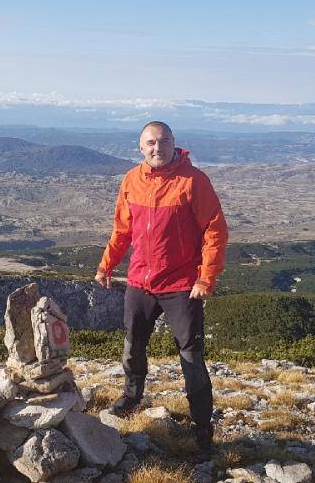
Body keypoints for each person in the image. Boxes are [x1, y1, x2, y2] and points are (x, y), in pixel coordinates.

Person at [95, 121, 228, 460]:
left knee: (191, 355)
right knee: (133, 344)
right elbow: (122, 230)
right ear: (141, 147)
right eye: (151, 142)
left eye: (164, 141)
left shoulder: (193, 181)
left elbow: (215, 232)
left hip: (181, 284)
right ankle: (131, 397)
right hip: (140, 281)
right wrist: (107, 265)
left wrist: (205, 278)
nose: (158, 148)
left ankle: (202, 429)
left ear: (174, 144)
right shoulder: (132, 180)